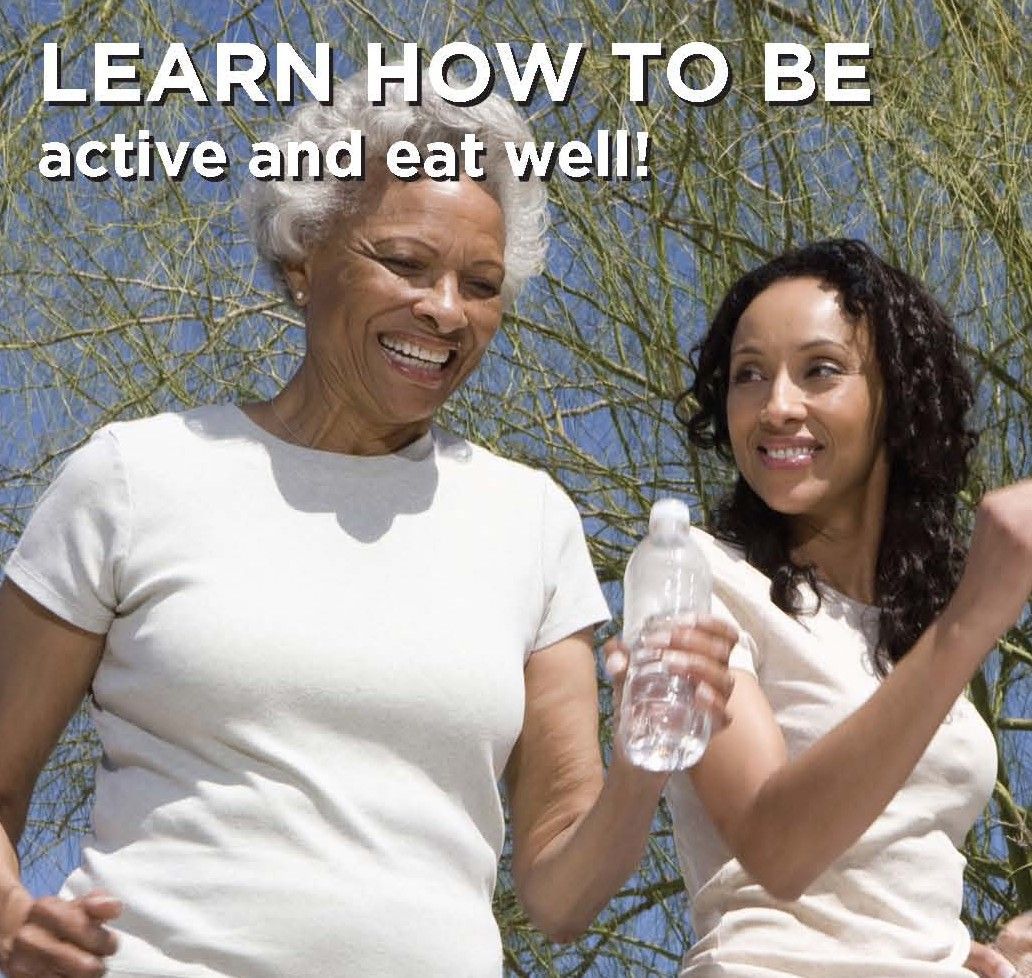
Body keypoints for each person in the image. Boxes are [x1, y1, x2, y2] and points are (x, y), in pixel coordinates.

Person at [0, 75, 737, 978]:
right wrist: (8, 919)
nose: (445, 310)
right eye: (406, 263)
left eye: (481, 283)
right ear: (303, 259)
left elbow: (560, 895)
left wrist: (644, 759)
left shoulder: (531, 519)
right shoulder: (132, 476)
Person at [608, 239, 1032, 977]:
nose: (776, 406)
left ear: (896, 397)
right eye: (748, 375)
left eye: (820, 370)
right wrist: (969, 623)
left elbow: (881, 871)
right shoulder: (695, 578)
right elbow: (777, 850)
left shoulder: (908, 645)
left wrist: (959, 949)